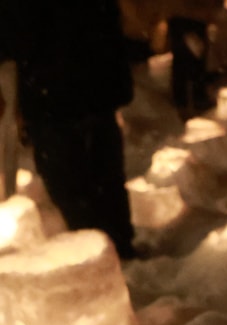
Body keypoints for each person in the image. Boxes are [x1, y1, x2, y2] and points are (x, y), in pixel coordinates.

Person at [0, 0, 138, 260]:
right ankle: (116, 247)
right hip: (88, 87)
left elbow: (14, 31)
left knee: (75, 182)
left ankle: (98, 254)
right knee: (101, 175)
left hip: (55, 94)